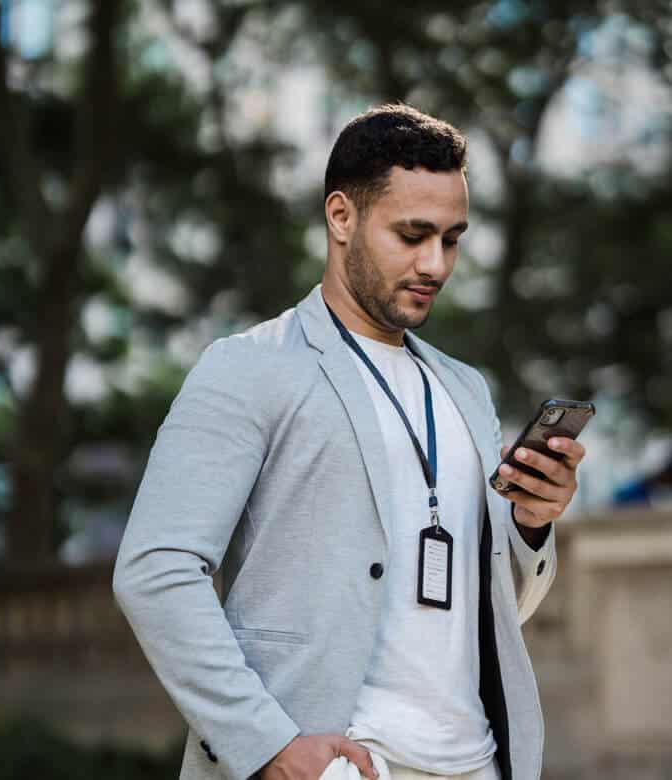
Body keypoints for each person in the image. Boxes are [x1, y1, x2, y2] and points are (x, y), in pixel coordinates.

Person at [112, 104, 585, 780]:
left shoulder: (464, 389)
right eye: (412, 234)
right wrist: (267, 743)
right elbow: (155, 571)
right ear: (341, 217)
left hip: (476, 761)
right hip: (337, 761)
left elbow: (488, 608)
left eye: (451, 239)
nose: (434, 263)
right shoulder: (250, 366)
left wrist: (532, 525)